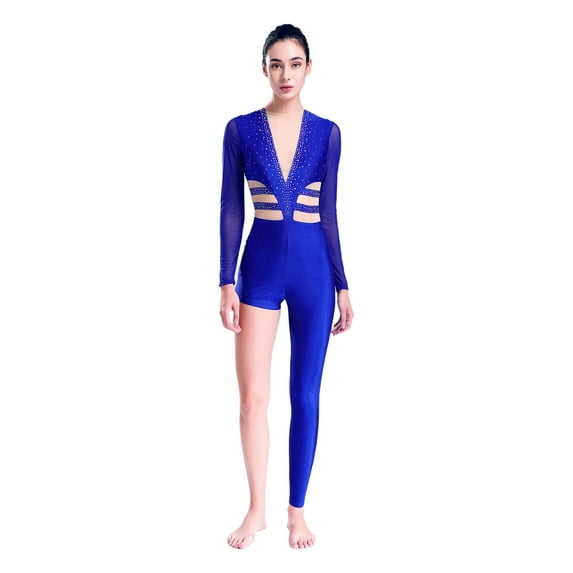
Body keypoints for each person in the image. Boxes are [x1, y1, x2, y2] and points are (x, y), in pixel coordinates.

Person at [218, 23, 354, 550]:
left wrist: (342, 284)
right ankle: (256, 509)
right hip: (259, 272)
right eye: (276, 64)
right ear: (264, 69)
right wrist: (225, 281)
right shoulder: (240, 130)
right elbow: (231, 208)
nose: (286, 74)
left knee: (305, 395)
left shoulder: (327, 133)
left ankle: (297, 511)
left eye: (295, 63)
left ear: (309, 67)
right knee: (252, 400)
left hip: (314, 275)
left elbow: (329, 213)